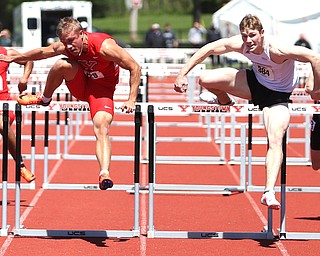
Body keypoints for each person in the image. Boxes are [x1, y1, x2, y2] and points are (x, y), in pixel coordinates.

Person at [174, 14, 320, 209]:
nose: (248, 41)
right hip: (254, 83)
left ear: (261, 33)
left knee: (275, 139)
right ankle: (225, 101)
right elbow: (208, 48)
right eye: (244, 36)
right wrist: (182, 74)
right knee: (206, 79)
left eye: (252, 36)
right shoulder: (241, 43)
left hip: (278, 96)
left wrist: (316, 87)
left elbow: (314, 57)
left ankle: (268, 192)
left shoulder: (277, 49)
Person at [0, 17, 141, 190]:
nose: (68, 46)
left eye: (71, 41)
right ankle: (45, 99)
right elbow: (43, 52)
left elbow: (135, 67)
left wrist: (131, 99)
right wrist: (16, 58)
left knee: (102, 127)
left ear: (82, 34)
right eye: (64, 42)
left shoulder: (105, 47)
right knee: (61, 64)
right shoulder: (65, 46)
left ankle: (104, 173)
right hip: (80, 83)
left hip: (101, 91)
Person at [0, 46, 35, 182]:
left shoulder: (6, 53)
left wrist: (24, 79)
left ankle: (21, 165)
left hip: (3, 104)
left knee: (2, 124)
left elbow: (28, 60)